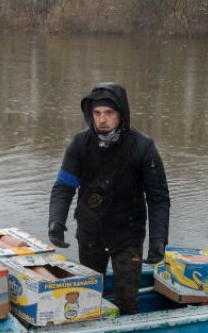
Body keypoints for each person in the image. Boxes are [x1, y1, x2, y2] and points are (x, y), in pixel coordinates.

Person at [48, 82, 170, 315]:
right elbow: (64, 187)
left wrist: (158, 238)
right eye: (96, 113)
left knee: (127, 301)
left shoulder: (143, 147)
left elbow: (158, 198)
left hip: (128, 234)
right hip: (90, 232)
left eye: (108, 113)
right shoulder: (80, 144)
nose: (101, 119)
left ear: (121, 114)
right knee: (88, 298)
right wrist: (56, 221)